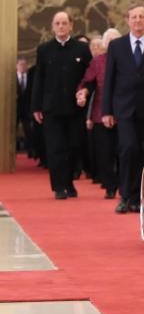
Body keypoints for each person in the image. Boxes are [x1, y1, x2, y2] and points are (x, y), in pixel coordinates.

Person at [102, 4, 144, 213]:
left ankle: (139, 197)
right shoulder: (117, 46)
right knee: (127, 149)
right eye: (134, 17)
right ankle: (125, 196)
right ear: (127, 20)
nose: (137, 20)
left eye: (141, 17)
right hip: (124, 108)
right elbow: (109, 79)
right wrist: (106, 111)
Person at [31, 12, 92, 199]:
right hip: (51, 108)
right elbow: (39, 79)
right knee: (55, 148)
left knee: (74, 146)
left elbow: (90, 77)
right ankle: (58, 186)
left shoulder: (82, 49)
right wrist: (36, 107)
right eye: (57, 23)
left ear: (71, 25)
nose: (61, 26)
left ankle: (69, 183)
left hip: (76, 108)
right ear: (52, 26)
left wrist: (85, 91)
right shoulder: (44, 49)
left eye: (64, 23)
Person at [77, 28, 121, 199]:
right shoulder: (98, 61)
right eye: (109, 41)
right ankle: (110, 185)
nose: (113, 44)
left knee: (124, 151)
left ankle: (124, 185)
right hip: (100, 113)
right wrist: (83, 92)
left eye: (115, 40)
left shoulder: (127, 59)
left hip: (124, 113)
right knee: (104, 153)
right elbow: (87, 82)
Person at [15, 56, 33, 155]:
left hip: (27, 109)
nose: (23, 66)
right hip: (14, 109)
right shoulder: (12, 77)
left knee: (28, 130)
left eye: (24, 64)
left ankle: (30, 150)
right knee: (13, 129)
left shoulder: (31, 78)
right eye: (21, 64)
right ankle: (13, 149)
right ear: (16, 66)